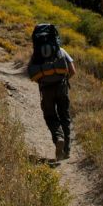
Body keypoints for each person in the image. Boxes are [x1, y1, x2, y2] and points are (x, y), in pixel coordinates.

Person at [27, 23, 76, 161]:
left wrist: (44, 82)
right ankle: (66, 151)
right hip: (61, 86)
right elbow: (72, 70)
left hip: (46, 89)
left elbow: (32, 73)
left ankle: (58, 137)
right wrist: (64, 80)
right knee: (65, 117)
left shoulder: (36, 54)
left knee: (50, 116)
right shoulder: (60, 50)